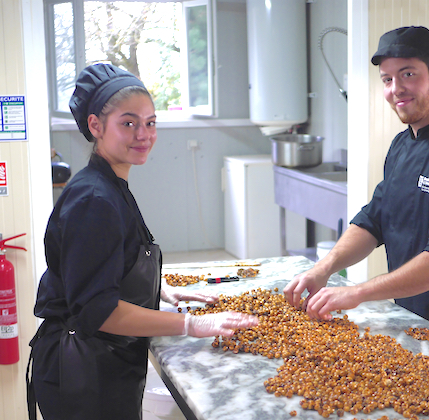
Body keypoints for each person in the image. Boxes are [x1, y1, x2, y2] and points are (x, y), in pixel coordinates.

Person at [26, 63, 258, 420]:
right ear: (95, 126)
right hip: (81, 371)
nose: (144, 134)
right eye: (129, 123)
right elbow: (98, 310)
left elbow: (107, 263)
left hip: (104, 363)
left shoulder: (110, 185)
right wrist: (191, 325)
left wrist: (157, 289)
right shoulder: (93, 200)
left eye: (151, 123)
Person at [284, 26, 429, 356]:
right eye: (387, 79)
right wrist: (323, 268)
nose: (395, 89)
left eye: (408, 74)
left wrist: (357, 292)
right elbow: (373, 221)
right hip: (408, 323)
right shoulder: (402, 145)